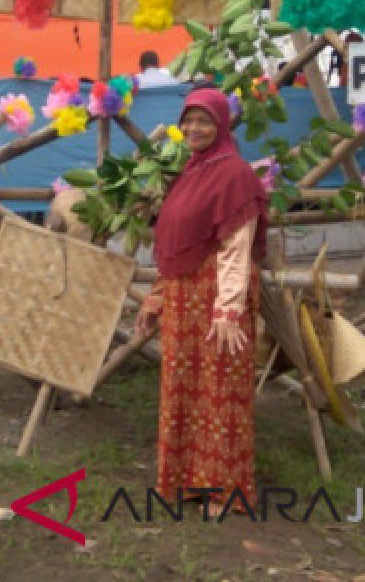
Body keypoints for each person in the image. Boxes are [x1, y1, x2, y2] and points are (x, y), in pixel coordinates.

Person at [135, 87, 268, 518]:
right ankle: (186, 481)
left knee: (221, 395)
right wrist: (155, 300)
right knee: (183, 391)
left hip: (215, 305)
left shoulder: (234, 174)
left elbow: (236, 246)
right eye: (188, 120)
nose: (194, 129)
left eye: (204, 121)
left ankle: (225, 491)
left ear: (222, 125)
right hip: (181, 303)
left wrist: (230, 307)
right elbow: (173, 247)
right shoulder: (191, 172)